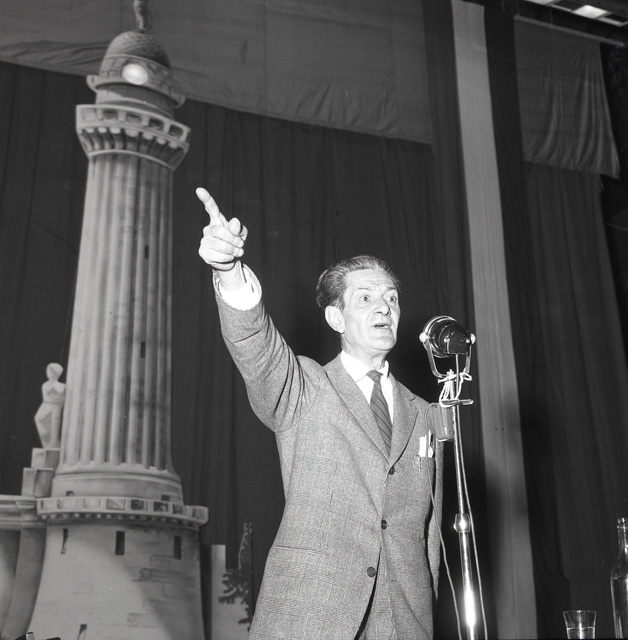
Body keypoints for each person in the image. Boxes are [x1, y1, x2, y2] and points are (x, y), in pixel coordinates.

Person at [197, 188, 443, 640]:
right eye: (365, 298)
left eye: (391, 298)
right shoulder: (305, 386)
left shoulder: (425, 414)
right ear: (336, 319)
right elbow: (256, 346)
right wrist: (229, 271)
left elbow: (429, 535)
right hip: (313, 612)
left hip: (403, 621)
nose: (383, 307)